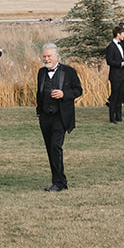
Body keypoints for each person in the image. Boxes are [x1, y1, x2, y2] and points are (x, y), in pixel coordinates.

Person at [35, 43, 82, 191]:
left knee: (56, 146)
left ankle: (59, 182)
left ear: (56, 57)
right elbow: (39, 93)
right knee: (50, 148)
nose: (46, 59)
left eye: (49, 56)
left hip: (61, 116)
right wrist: (39, 112)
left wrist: (64, 94)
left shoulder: (68, 72)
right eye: (44, 56)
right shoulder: (41, 72)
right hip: (45, 116)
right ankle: (58, 181)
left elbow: (78, 90)